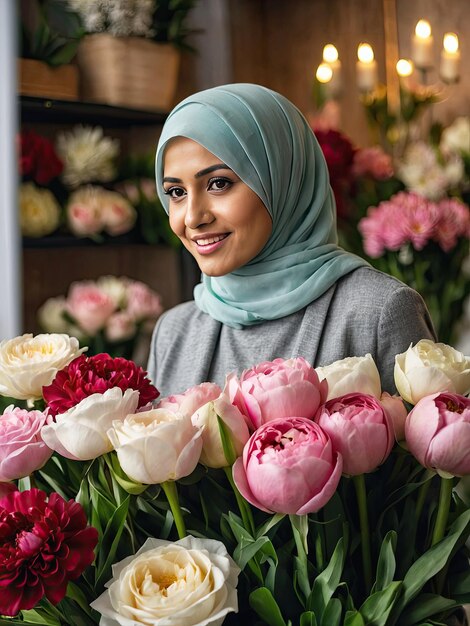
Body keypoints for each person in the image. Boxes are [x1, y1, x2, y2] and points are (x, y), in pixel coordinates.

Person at [147, 83, 435, 397]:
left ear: (284, 179)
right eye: (177, 192)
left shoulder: (380, 312)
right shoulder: (173, 332)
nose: (192, 218)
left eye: (218, 183)